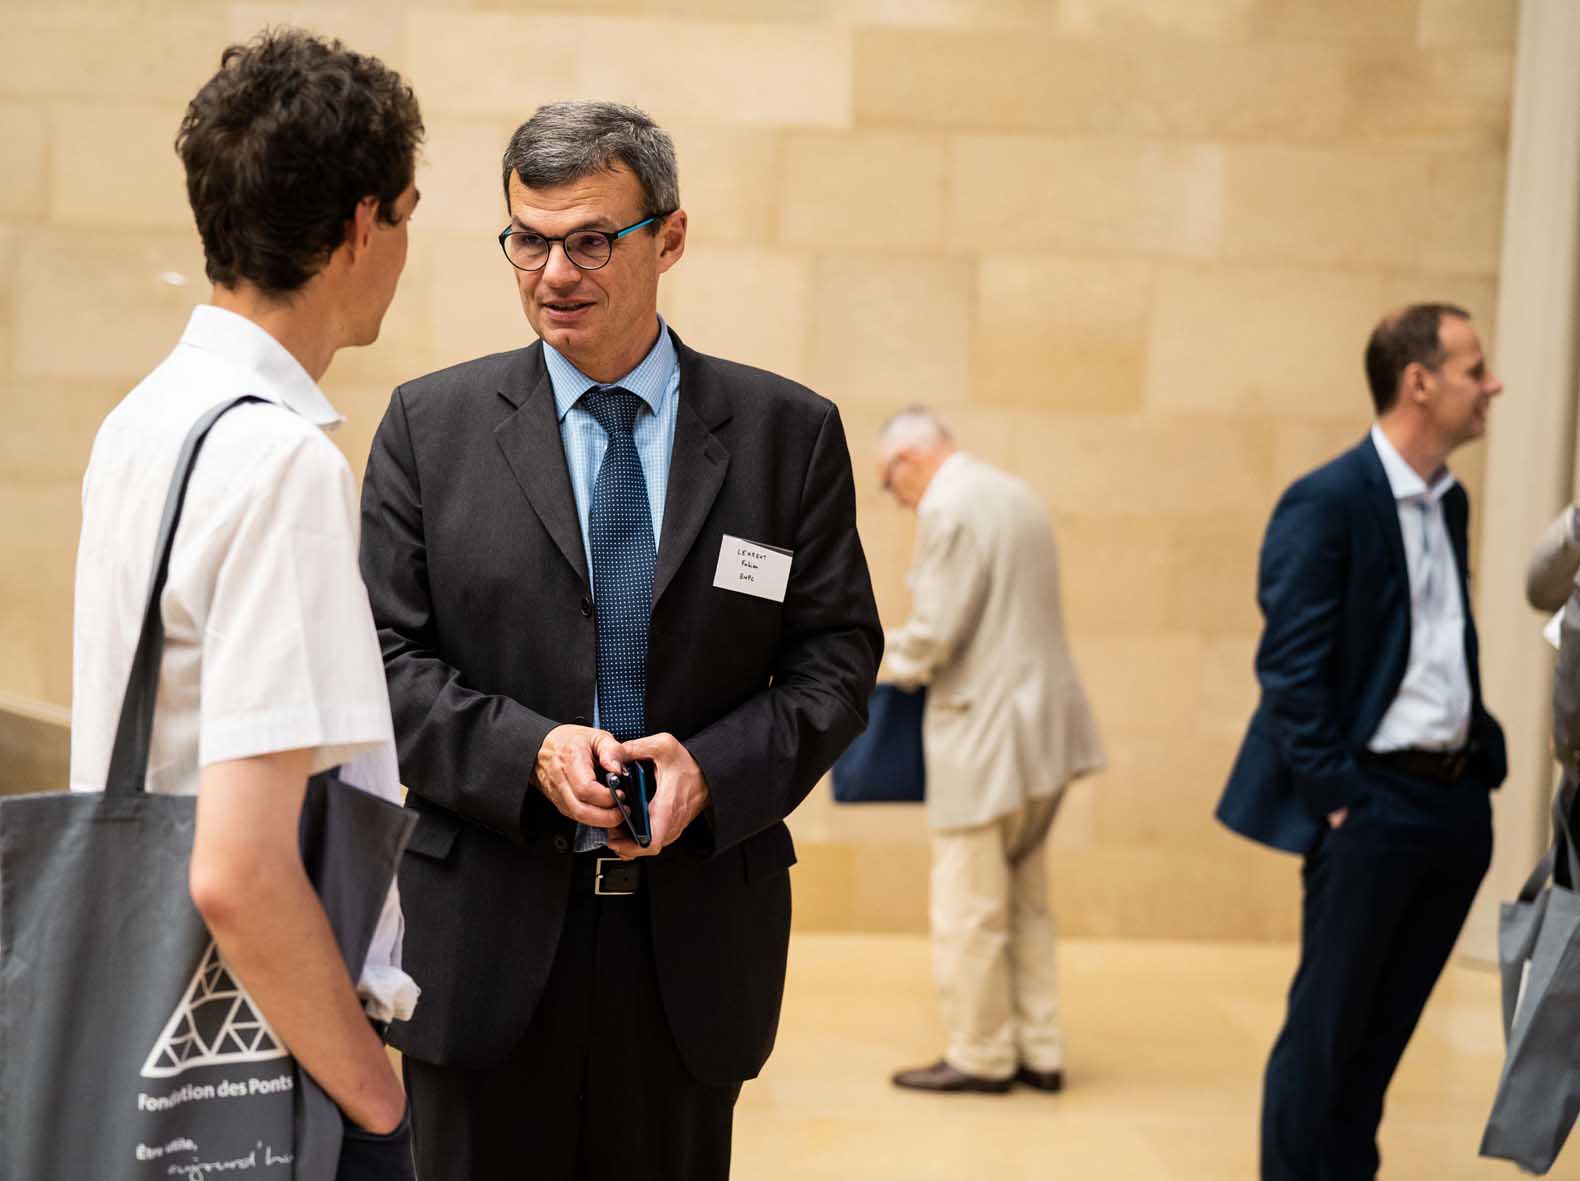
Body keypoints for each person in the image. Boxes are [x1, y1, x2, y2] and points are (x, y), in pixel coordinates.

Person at [358, 99, 882, 1179]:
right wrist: (531, 752)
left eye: (592, 240)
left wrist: (713, 768)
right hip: (484, 947)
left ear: (669, 238)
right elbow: (381, 662)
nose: (555, 272)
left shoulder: (786, 436)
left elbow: (835, 660)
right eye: (528, 239)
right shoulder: (429, 428)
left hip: (689, 951)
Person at [68, 30, 424, 1179]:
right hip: (268, 1065)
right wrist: (377, 1100)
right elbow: (239, 867)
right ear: (362, 225)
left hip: (139, 1023)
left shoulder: (142, 420)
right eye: (407, 213)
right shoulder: (278, 462)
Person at [1216, 303, 1509, 1180]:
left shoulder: (1449, 501)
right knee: (1325, 1037)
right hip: (1371, 807)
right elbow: (1290, 668)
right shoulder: (1328, 500)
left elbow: (1435, 643)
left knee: (1380, 1043)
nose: (1491, 385)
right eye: (1474, 368)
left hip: (1454, 806)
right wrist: (1340, 797)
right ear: (1419, 382)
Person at [872, 408, 1104, 1095]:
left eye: (888, 482)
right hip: (1046, 735)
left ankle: (980, 1053)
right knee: (1026, 898)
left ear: (910, 458)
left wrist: (859, 660)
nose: (896, 498)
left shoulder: (950, 506)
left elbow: (934, 635)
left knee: (968, 907)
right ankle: (1040, 1047)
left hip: (985, 737)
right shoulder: (1014, 493)